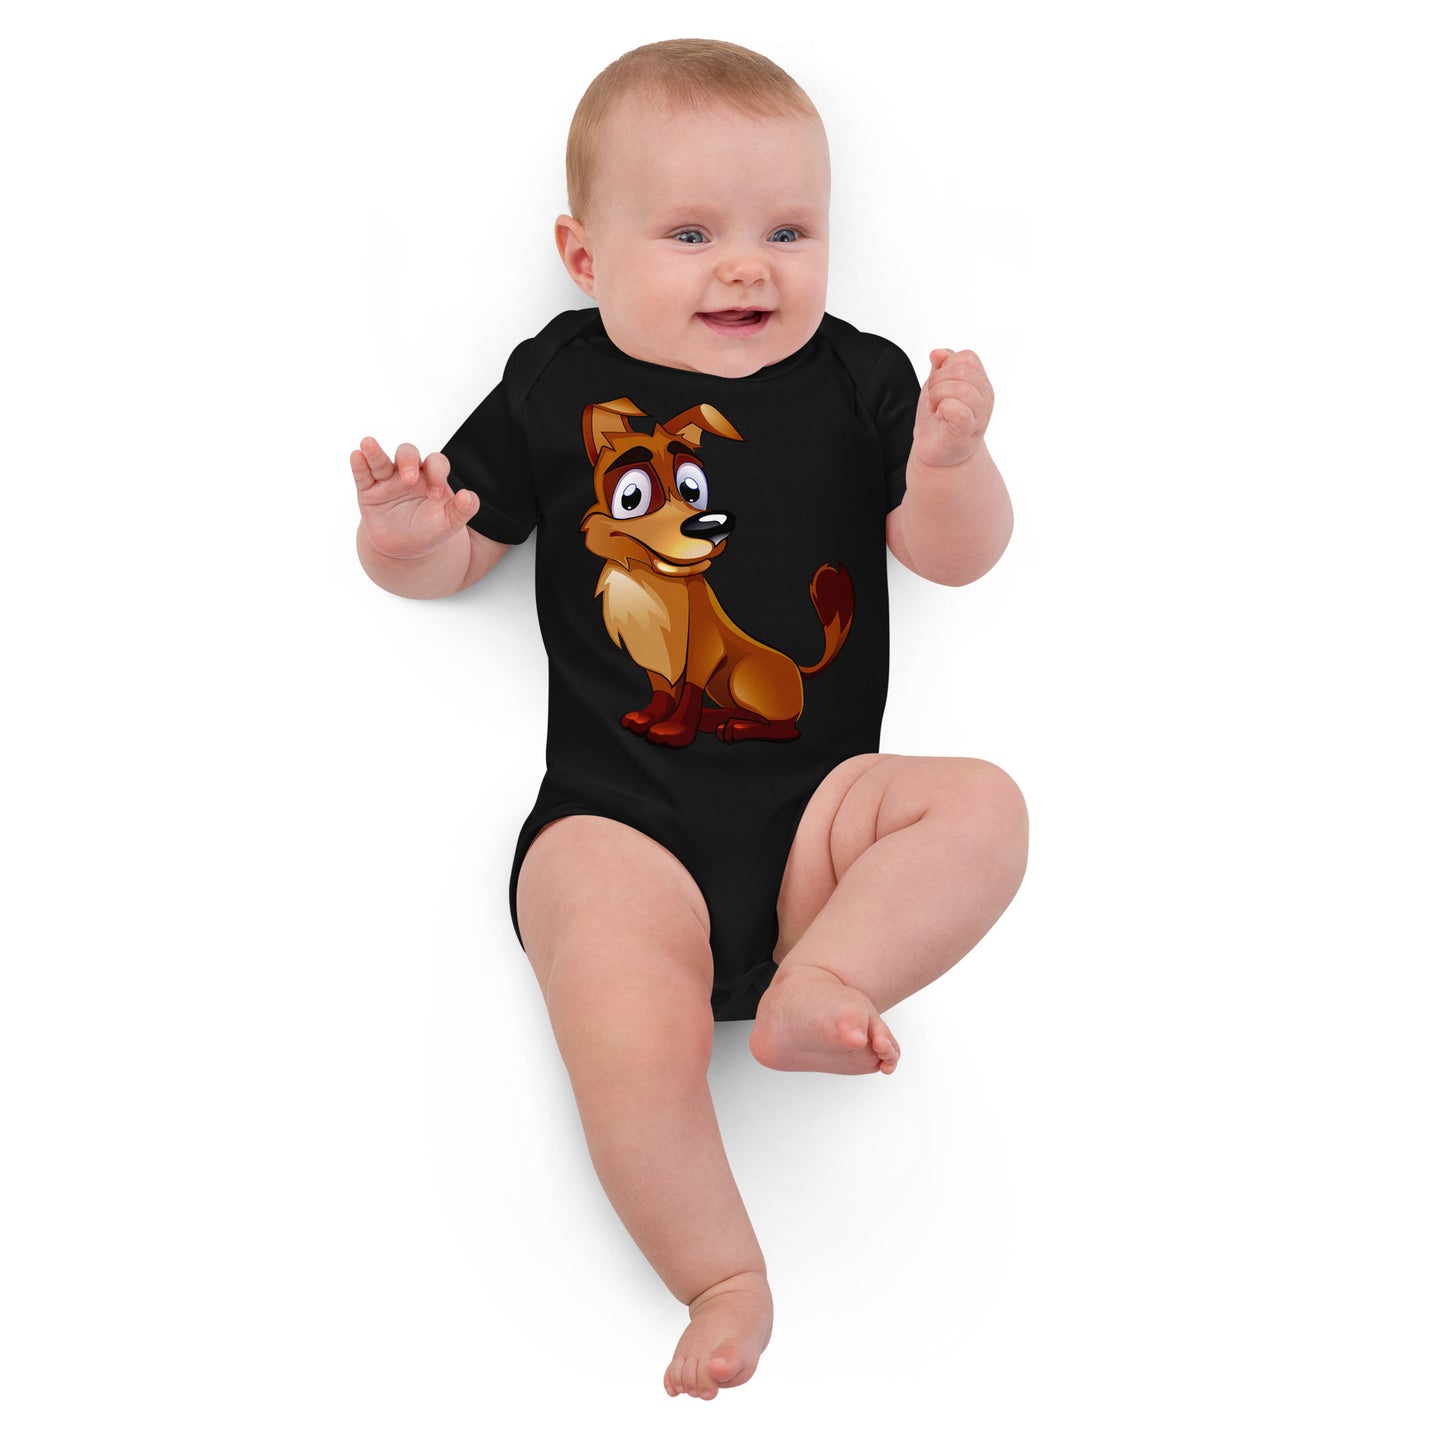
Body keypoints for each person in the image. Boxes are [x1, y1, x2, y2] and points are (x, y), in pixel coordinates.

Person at [350, 38, 1028, 1401]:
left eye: (787, 231)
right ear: (583, 256)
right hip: (623, 825)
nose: (745, 268)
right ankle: (720, 1271)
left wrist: (952, 463)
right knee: (620, 1018)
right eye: (691, 234)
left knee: (983, 807)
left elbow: (953, 558)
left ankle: (825, 978)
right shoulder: (557, 381)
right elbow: (459, 557)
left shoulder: (858, 378)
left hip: (819, 832)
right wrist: (407, 536)